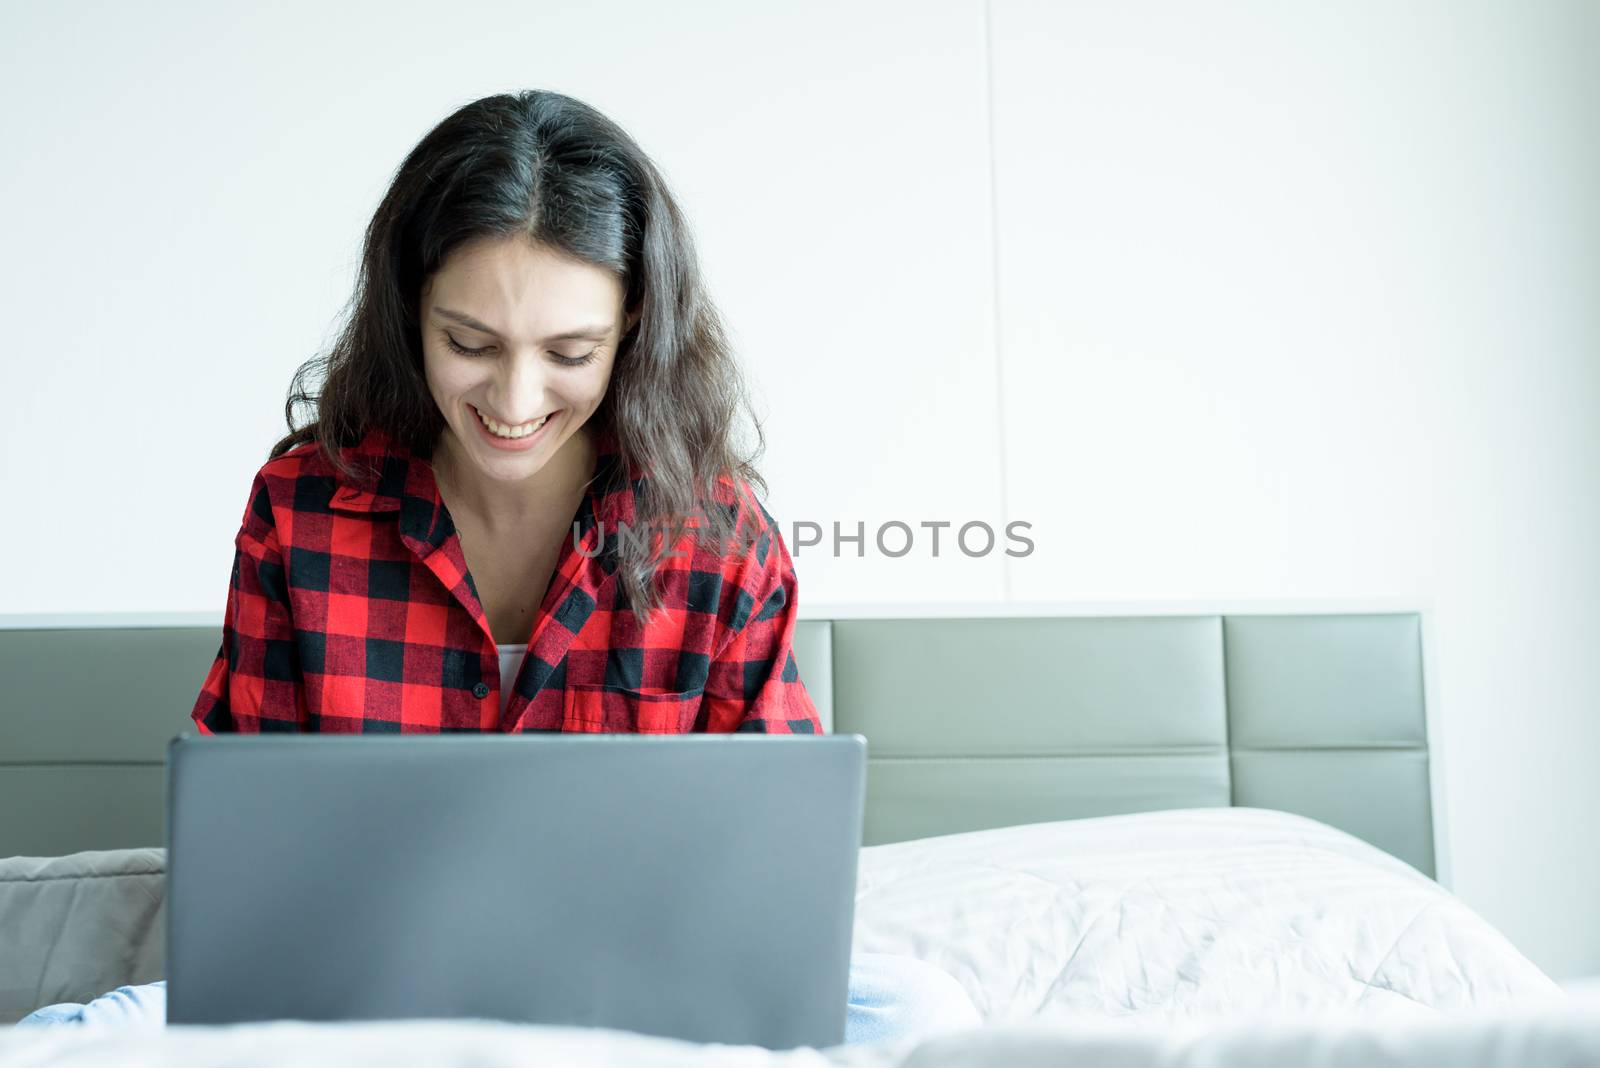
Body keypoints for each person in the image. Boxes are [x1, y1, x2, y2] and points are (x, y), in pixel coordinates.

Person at [15, 89, 978, 1046]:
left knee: (925, 1012)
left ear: (634, 328)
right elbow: (240, 838)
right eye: (468, 344)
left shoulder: (717, 537)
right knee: (78, 1036)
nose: (514, 400)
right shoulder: (306, 505)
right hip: (353, 986)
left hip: (640, 993)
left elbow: (781, 876)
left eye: (569, 352)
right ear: (410, 312)